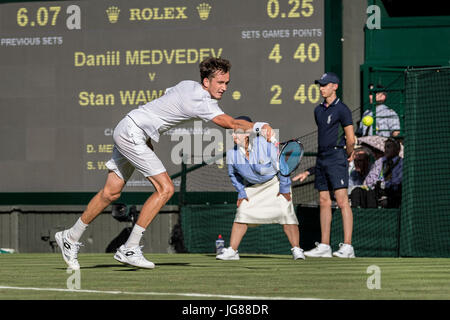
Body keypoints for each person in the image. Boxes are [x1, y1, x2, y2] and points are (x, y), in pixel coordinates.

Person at [55, 57, 275, 270]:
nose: (224, 87)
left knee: (110, 193)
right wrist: (259, 126)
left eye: (227, 82)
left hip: (128, 126)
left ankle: (70, 236)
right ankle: (130, 248)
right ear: (206, 81)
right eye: (220, 82)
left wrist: (148, 136)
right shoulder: (202, 102)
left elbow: (163, 100)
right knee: (166, 188)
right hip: (133, 133)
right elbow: (231, 123)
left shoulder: (187, 85)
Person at [217, 116, 305, 261]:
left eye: (236, 132)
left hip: (275, 184)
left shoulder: (264, 144)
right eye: (232, 132)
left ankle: (297, 250)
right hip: (253, 188)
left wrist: (284, 188)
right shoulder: (232, 154)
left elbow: (282, 166)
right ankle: (232, 251)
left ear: (246, 134)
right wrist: (241, 192)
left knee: (286, 213)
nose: (233, 135)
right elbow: (233, 176)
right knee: (242, 213)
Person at [292, 72, 356, 258]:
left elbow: (350, 138)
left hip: (337, 156)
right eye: (320, 85)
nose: (321, 88)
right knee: (324, 201)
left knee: (343, 201)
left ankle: (348, 246)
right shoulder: (318, 110)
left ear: (334, 86)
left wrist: (348, 154)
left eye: (325, 85)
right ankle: (325, 246)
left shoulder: (342, 109)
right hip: (322, 157)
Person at [363, 137, 403, 208]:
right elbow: (368, 181)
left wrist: (384, 184)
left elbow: (398, 181)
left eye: (388, 147)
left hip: (393, 193)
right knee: (361, 193)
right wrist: (377, 184)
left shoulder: (402, 163)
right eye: (385, 147)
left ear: (397, 150)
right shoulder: (379, 162)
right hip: (378, 191)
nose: (386, 150)